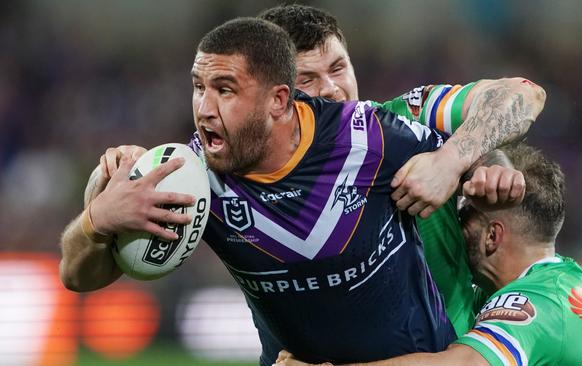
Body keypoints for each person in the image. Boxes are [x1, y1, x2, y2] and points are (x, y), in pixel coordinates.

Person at [59, 18, 541, 366]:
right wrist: (98, 221)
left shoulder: (371, 134)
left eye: (224, 89)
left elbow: (518, 99)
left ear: (278, 99)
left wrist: (459, 162)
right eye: (198, 87)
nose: (204, 108)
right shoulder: (190, 176)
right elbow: (79, 277)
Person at [258, 4, 546, 336]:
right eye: (306, 79)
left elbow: (522, 93)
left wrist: (449, 161)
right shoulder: (244, 171)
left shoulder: (407, 121)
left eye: (338, 69)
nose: (331, 89)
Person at [274, 143, 582, 366]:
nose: (456, 225)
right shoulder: (566, 277)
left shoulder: (533, 304)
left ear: (492, 237)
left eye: (464, 215)